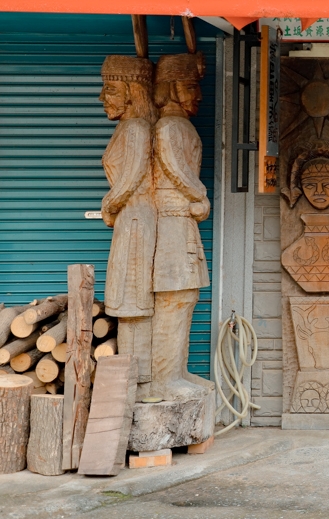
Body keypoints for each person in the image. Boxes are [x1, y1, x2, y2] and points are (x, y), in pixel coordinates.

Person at [150, 53, 211, 401]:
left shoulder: (180, 126)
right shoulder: (168, 127)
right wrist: (199, 194)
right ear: (171, 89)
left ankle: (178, 369)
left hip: (183, 218)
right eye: (190, 87)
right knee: (174, 296)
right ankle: (163, 377)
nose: (198, 96)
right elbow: (175, 168)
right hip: (172, 220)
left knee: (186, 295)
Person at [99, 55, 157, 384]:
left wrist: (110, 203)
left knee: (132, 294)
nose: (101, 98)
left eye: (109, 89)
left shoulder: (136, 128)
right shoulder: (128, 127)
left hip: (135, 217)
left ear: (132, 92)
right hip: (130, 217)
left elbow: (132, 175)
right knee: (126, 292)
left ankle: (137, 374)